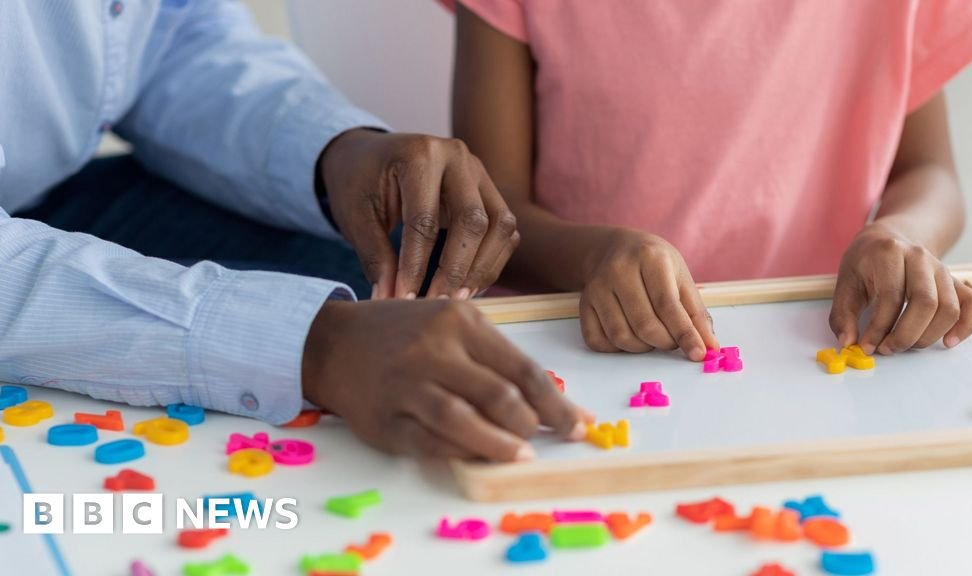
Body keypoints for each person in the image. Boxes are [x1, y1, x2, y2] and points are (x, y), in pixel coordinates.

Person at [0, 0, 588, 463]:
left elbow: (173, 41)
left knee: (390, 265)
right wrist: (309, 345)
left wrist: (335, 151)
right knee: (354, 328)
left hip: (42, 192)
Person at [444, 0, 972, 359]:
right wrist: (595, 256)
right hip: (569, 342)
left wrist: (899, 233)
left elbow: (928, 172)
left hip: (813, 343)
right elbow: (488, 215)